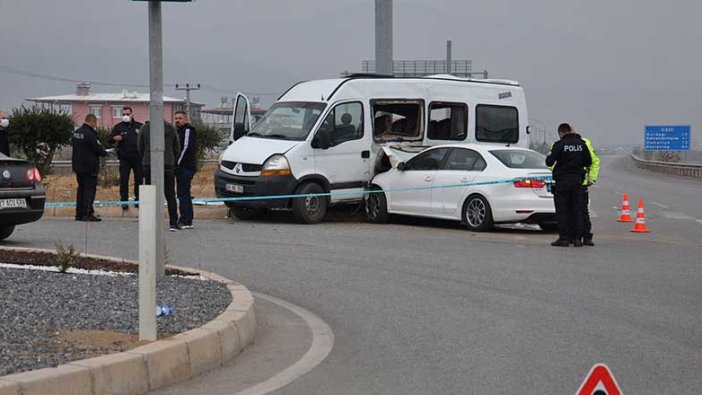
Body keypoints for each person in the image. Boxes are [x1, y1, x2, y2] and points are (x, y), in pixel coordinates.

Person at [545, 123, 592, 247]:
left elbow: (549, 162)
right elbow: (589, 161)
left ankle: (564, 238)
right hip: (577, 182)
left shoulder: (559, 145)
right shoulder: (582, 144)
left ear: (561, 133)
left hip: (563, 182)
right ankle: (578, 239)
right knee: (577, 210)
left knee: (563, 211)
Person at [138, 120, 181, 231]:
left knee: (150, 195)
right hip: (167, 164)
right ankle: (173, 223)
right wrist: (172, 160)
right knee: (170, 194)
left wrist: (146, 158)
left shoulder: (145, 128)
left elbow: (140, 146)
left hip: (149, 163)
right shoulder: (171, 128)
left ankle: (150, 223)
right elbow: (177, 147)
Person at [72, 114, 106, 222]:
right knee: (89, 191)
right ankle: (87, 214)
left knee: (81, 190)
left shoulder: (76, 132)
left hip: (78, 166)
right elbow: (97, 148)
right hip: (89, 167)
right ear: (93, 122)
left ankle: (79, 214)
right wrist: (104, 152)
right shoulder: (91, 134)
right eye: (95, 123)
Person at [110, 106, 143, 210]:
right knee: (124, 180)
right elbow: (110, 139)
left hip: (138, 158)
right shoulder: (118, 127)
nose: (125, 116)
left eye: (127, 114)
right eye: (123, 114)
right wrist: (115, 138)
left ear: (132, 114)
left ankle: (138, 200)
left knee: (139, 180)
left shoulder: (140, 126)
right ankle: (124, 201)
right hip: (124, 158)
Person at [174, 111, 198, 229]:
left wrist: (177, 163)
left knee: (184, 194)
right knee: (182, 193)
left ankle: (186, 220)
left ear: (185, 119)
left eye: (180, 118)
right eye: (176, 118)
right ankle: (185, 218)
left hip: (186, 167)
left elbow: (185, 148)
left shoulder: (188, 130)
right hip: (181, 167)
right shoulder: (178, 131)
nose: (177, 120)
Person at [578, 132, 600, 246]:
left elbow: (594, 161)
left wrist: (591, 178)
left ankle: (582, 236)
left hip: (578, 183)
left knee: (581, 211)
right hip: (578, 183)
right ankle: (580, 237)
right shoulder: (584, 143)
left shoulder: (585, 143)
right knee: (581, 211)